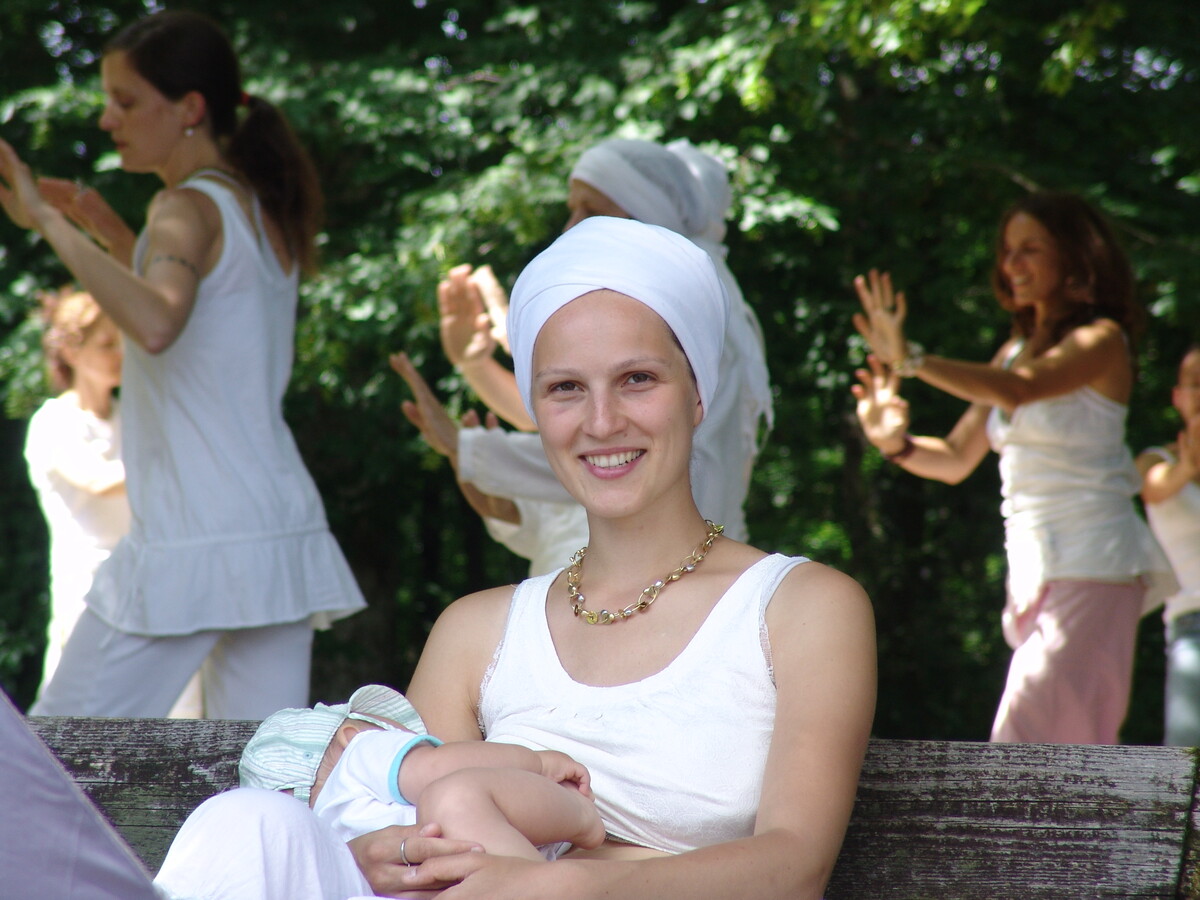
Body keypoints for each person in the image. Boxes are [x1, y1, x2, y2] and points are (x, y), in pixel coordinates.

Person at [152, 216, 876, 900]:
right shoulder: (478, 630)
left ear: (697, 395)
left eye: (637, 379)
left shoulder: (799, 607)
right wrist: (378, 853)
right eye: (566, 389)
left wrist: (566, 888)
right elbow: (405, 820)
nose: (602, 422)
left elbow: (793, 868)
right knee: (246, 824)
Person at [0, 9, 364, 719]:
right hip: (271, 535)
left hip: (194, 536)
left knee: (52, 759)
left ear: (190, 108)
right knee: (256, 770)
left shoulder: (185, 207)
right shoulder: (256, 209)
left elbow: (158, 321)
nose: (107, 119)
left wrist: (47, 220)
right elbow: (199, 312)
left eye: (125, 100)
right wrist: (104, 228)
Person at [851, 190, 1169, 745]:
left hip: (1093, 561)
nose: (1011, 264)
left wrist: (913, 360)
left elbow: (1020, 391)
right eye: (1006, 251)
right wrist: (893, 442)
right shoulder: (1013, 351)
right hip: (1036, 570)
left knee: (1024, 746)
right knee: (1058, 753)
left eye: (1030, 249)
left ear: (1075, 256)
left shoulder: (1101, 340)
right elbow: (954, 459)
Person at [411, 137, 774, 575]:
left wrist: (472, 449)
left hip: (684, 577)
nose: (571, 226)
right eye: (566, 384)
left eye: (592, 211)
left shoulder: (701, 319)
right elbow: (574, 422)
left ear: (646, 217)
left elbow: (654, 454)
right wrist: (476, 367)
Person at [237, 684, 603, 866]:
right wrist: (538, 764)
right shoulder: (360, 753)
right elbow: (440, 766)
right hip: (503, 852)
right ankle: (581, 817)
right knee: (452, 797)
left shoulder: (340, 851)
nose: (408, 736)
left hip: (476, 870)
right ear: (351, 734)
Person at [1136, 344, 1200, 746]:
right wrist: (1188, 467)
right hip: (1193, 625)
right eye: (1196, 383)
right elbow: (1154, 487)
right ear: (1177, 396)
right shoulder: (1154, 460)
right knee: (1186, 764)